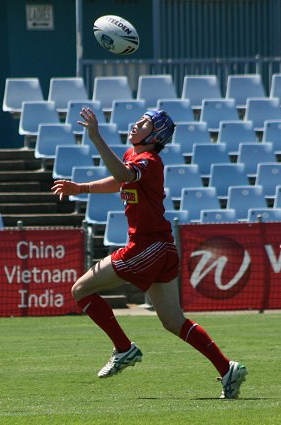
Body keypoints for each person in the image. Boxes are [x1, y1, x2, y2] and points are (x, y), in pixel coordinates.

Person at [52, 107, 247, 399]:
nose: (135, 125)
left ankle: (123, 348)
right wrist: (82, 188)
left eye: (143, 123)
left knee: (80, 289)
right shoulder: (136, 158)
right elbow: (121, 180)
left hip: (147, 246)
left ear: (155, 135)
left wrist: (95, 137)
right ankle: (227, 368)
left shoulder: (150, 160)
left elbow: (122, 173)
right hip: (162, 247)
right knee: (173, 321)